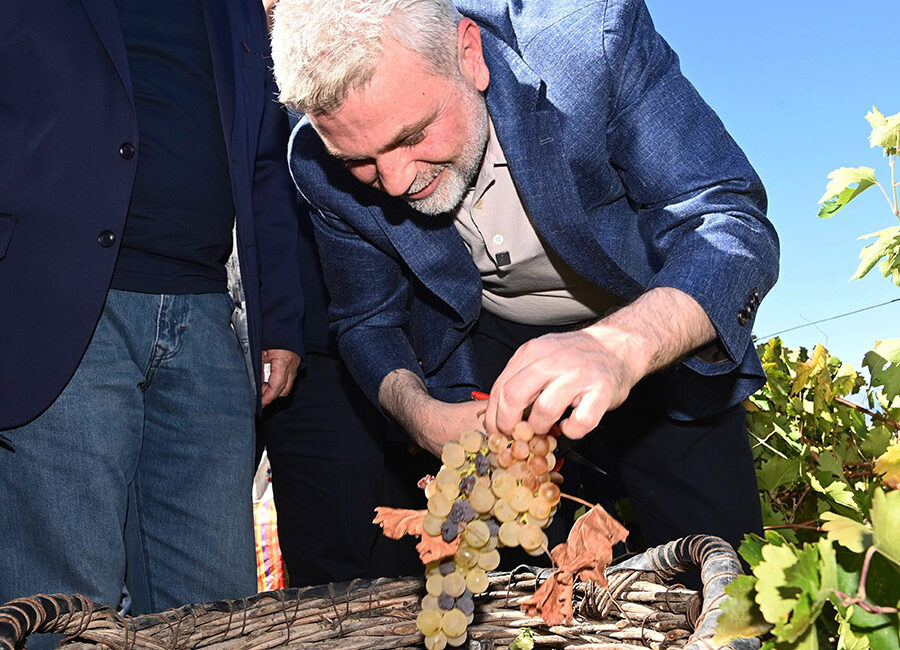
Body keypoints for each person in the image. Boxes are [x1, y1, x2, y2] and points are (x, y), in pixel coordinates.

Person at [269, 0, 780, 556]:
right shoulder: (317, 161)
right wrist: (423, 416)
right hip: (489, 350)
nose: (393, 184)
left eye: (411, 135)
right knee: (514, 606)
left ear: (470, 55)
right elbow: (366, 321)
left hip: (652, 327)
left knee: (722, 584)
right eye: (358, 162)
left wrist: (619, 344)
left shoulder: (591, 43)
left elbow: (727, 220)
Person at [0, 1, 304, 646]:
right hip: (57, 314)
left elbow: (262, 154)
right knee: (64, 610)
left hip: (206, 317)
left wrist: (277, 315)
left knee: (220, 612)